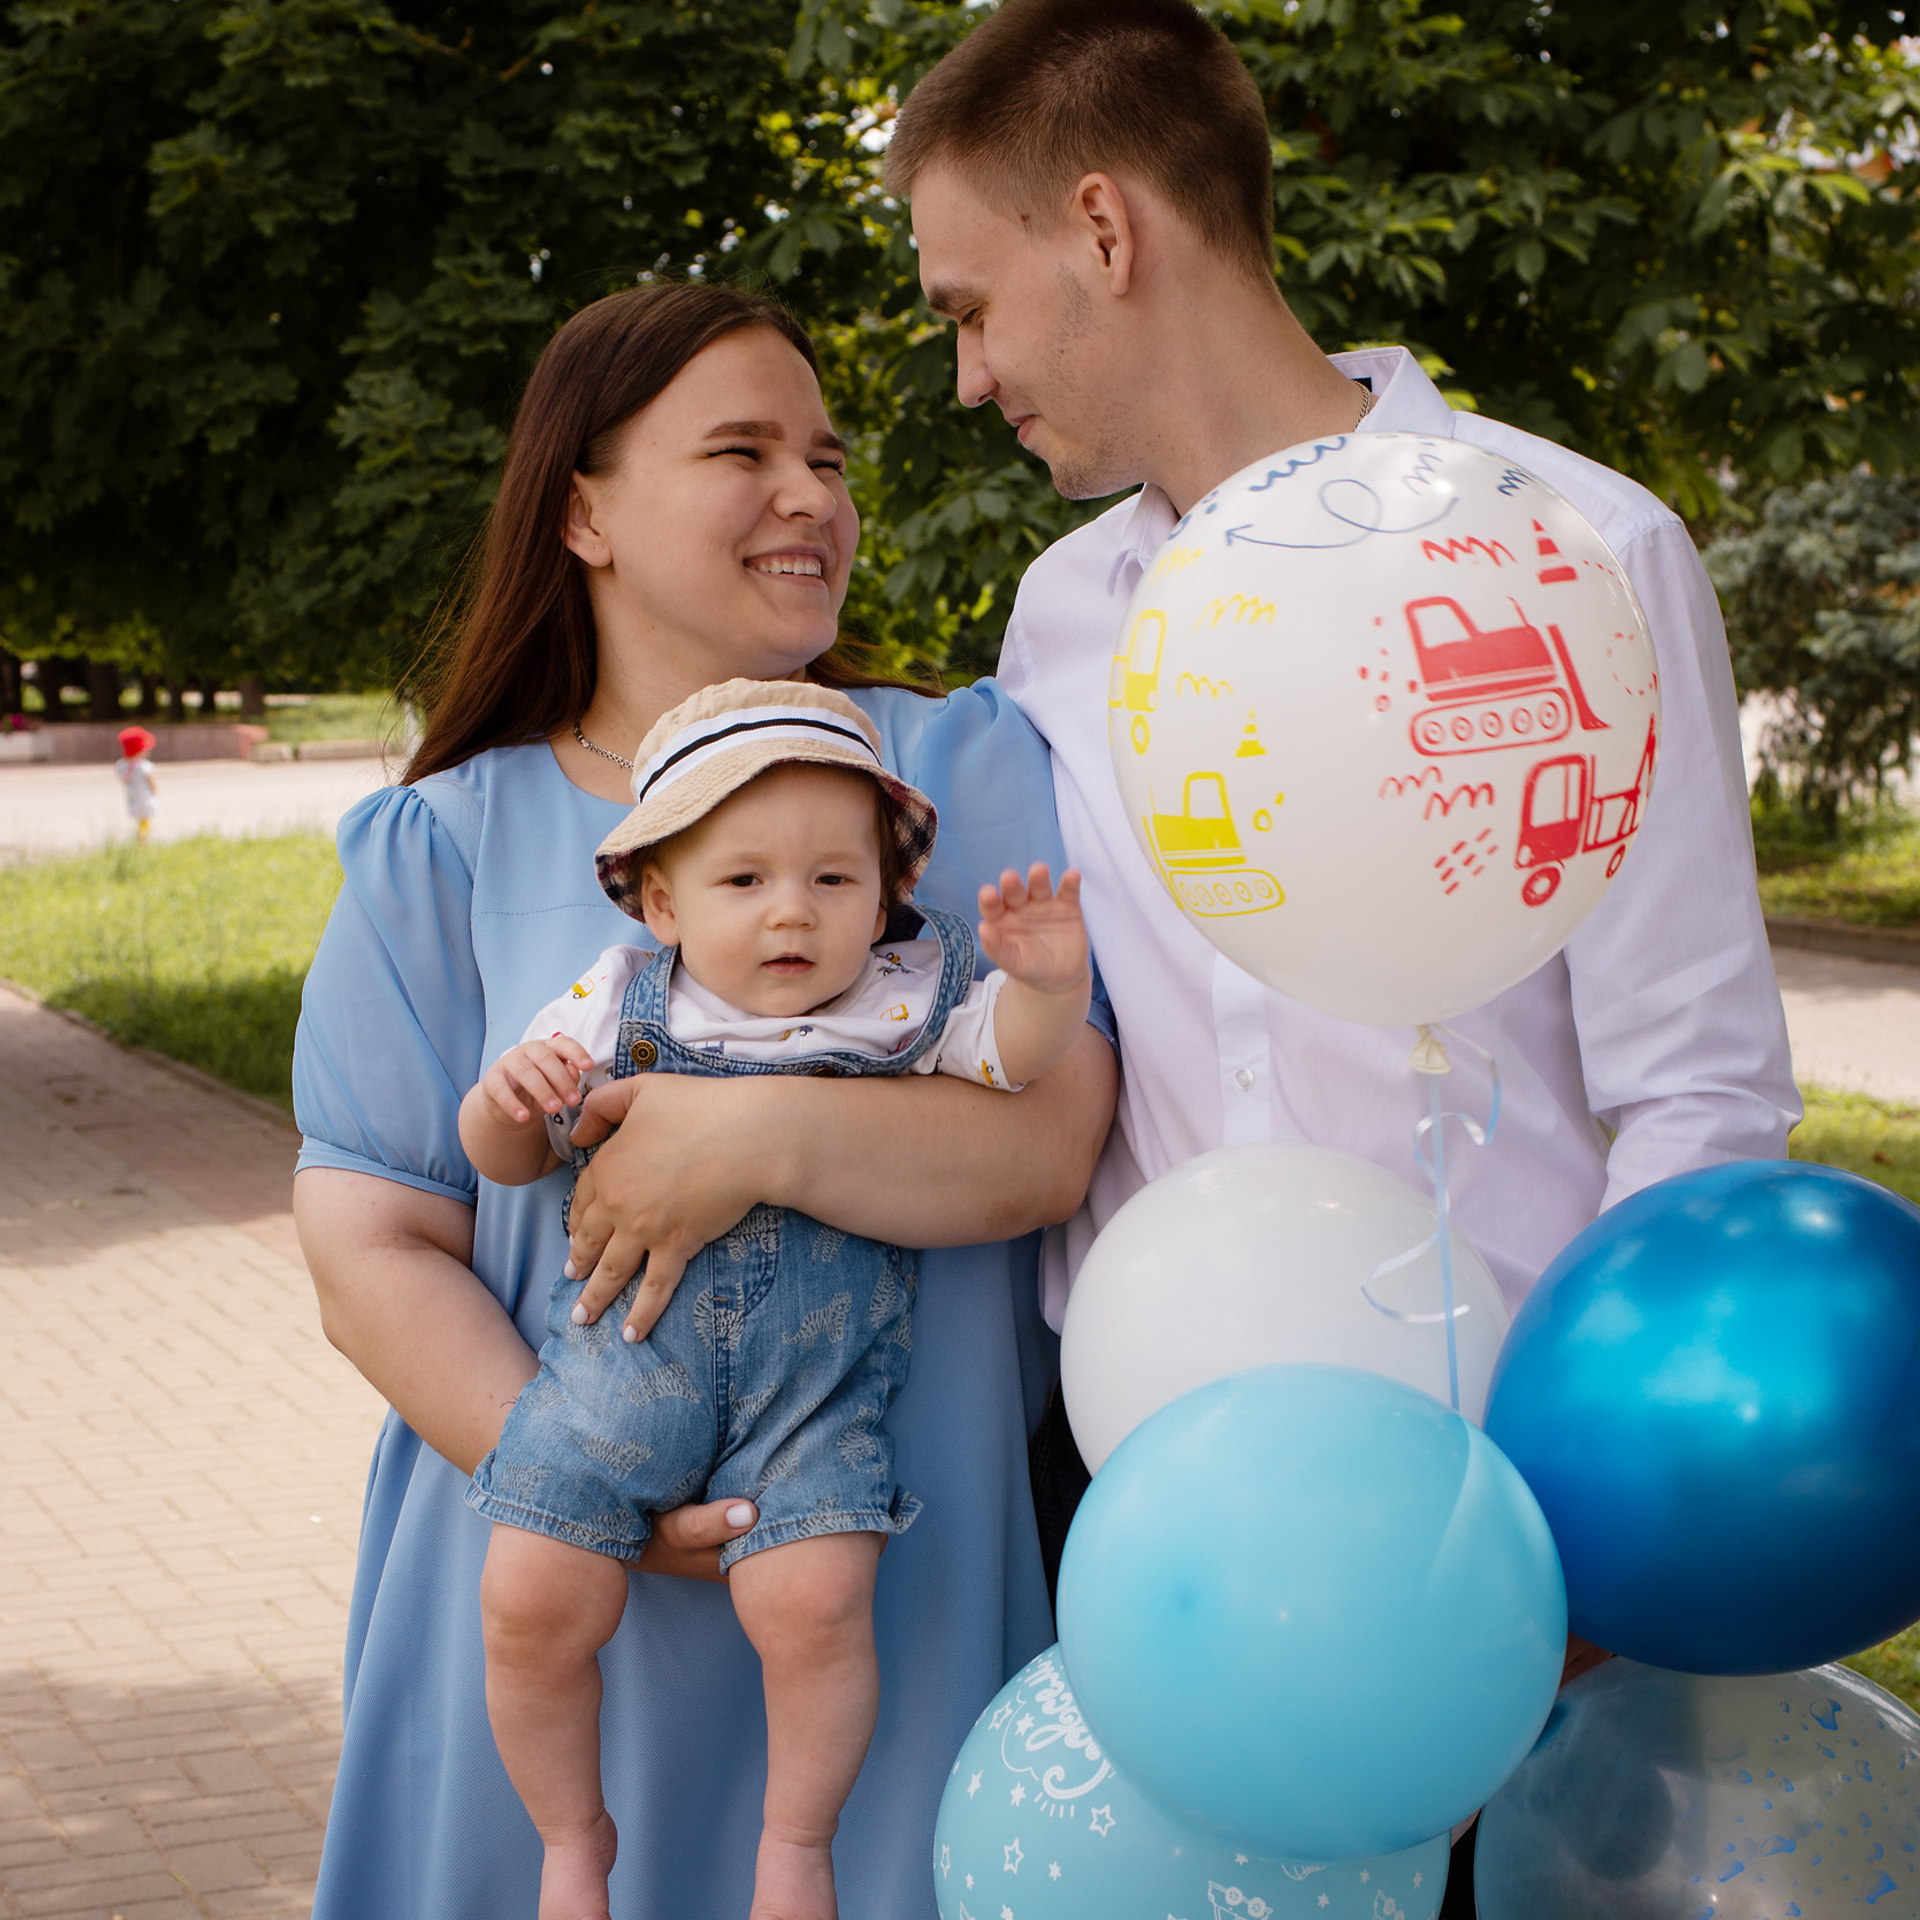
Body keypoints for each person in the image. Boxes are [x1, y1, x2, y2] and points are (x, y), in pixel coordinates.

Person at [884, 0, 1798, 1906]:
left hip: (1498, 1528)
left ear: (1106, 231)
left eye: (971, 306)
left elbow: (1696, 1092)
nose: (967, 377)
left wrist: (1582, 1540)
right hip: (1161, 1533)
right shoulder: (1062, 621)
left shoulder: (1575, 557)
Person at [290, 282, 1117, 1918]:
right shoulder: (443, 843)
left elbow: (1047, 1143)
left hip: (894, 1554)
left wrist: (744, 1140)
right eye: (742, 450)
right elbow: (369, 1236)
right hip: (551, 1564)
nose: (812, 495)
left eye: (827, 453)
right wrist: (578, 1482)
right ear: (582, 510)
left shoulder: (958, 770)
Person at [461, 676, 1092, 1920]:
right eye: (742, 882)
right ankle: (570, 1838)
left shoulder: (902, 999)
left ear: (885, 891)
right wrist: (508, 1097)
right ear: (661, 899)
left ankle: (797, 1847)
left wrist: (1047, 986)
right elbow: (509, 1157)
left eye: (833, 880)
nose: (791, 913)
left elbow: (1015, 1067)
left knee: (813, 1603)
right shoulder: (615, 1000)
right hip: (618, 1365)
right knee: (531, 1599)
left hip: (818, 1387)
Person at [115, 724, 157, 842]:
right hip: (144, 795)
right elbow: (151, 781)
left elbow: (122, 779)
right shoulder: (144, 766)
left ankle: (140, 835)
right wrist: (155, 790)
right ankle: (143, 838)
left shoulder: (122, 765)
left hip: (132, 795)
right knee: (145, 819)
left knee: (140, 818)